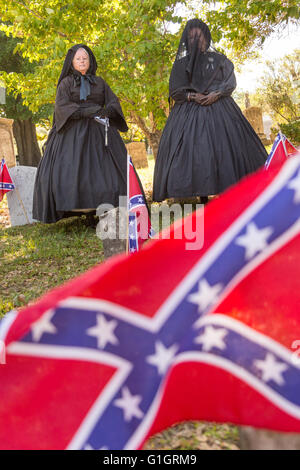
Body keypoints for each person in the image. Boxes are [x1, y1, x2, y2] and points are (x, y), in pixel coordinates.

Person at [153, 19, 268, 203]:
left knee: (226, 150)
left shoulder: (219, 60)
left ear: (206, 38)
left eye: (199, 36)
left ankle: (232, 196)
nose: (196, 40)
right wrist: (193, 97)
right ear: (186, 40)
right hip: (188, 113)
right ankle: (202, 198)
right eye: (191, 37)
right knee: (195, 152)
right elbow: (175, 90)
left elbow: (230, 81)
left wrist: (217, 93)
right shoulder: (181, 65)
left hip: (220, 109)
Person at [33, 44, 128, 224]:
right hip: (72, 134)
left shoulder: (99, 82)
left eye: (85, 58)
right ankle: (84, 210)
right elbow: (62, 107)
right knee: (75, 171)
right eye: (78, 58)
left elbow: (113, 101)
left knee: (103, 171)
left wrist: (107, 111)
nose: (82, 61)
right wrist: (86, 112)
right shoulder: (66, 83)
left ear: (90, 60)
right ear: (72, 62)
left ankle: (103, 208)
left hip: (100, 132)